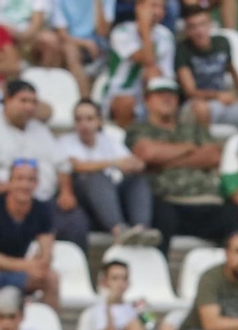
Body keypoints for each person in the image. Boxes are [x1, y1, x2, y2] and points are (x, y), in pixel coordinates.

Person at [127, 77, 238, 248]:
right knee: (160, 222)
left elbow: (214, 156)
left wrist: (165, 161)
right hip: (170, 201)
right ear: (147, 100)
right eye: (160, 94)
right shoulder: (139, 128)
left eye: (172, 95)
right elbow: (147, 153)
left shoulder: (192, 127)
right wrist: (189, 148)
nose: (167, 99)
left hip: (209, 201)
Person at [0, 79, 89, 252]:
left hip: (44, 202)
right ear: (7, 100)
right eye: (23, 100)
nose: (29, 107)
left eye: (33, 102)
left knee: (76, 221)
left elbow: (62, 165)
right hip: (6, 203)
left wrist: (66, 192)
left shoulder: (40, 130)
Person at [57, 99, 159, 245]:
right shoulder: (65, 141)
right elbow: (77, 166)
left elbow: (132, 162)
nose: (83, 124)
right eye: (78, 119)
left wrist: (136, 164)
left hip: (112, 195)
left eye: (89, 119)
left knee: (137, 179)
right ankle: (119, 230)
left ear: (99, 121)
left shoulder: (109, 140)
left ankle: (141, 229)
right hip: (83, 200)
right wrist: (114, 162)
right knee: (95, 178)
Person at [175, 5, 238, 133]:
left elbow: (232, 70)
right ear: (187, 31)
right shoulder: (182, 50)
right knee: (200, 109)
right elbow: (190, 91)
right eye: (193, 27)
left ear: (211, 24)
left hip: (225, 102)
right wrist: (218, 95)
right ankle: (206, 150)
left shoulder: (222, 43)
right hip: (199, 103)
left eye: (203, 24)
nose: (199, 31)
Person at [86, 257, 179, 330]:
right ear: (105, 282)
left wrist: (146, 312)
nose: (120, 283)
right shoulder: (100, 308)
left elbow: (153, 328)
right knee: (133, 324)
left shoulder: (136, 305)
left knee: (167, 327)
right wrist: (109, 306)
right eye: (115, 279)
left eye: (124, 279)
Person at [103, 0, 175, 128]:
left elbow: (165, 76)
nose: (157, 12)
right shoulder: (121, 31)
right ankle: (129, 140)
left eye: (161, 7)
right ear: (138, 8)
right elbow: (146, 59)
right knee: (127, 101)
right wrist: (145, 28)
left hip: (148, 94)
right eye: (153, 6)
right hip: (119, 93)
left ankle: (160, 137)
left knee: (159, 84)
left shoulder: (166, 36)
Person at [0, 160, 58, 308]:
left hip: (16, 272)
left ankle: (48, 326)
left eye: (30, 180)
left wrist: (41, 263)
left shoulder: (42, 209)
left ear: (36, 184)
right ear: (9, 182)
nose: (25, 185)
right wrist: (27, 265)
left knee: (51, 278)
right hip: (14, 267)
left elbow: (46, 252)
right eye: (20, 179)